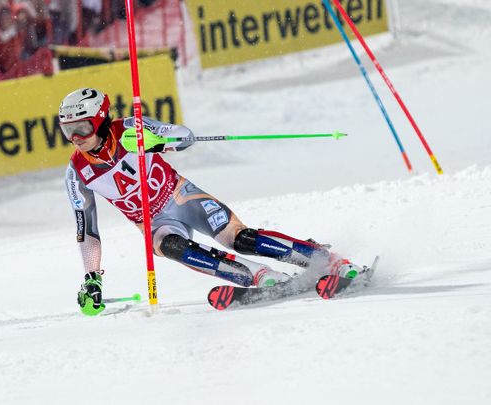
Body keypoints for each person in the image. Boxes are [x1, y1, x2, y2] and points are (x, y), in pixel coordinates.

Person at [60, 88, 367, 315]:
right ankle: (261, 277)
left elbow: (184, 136)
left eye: (82, 128)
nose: (76, 138)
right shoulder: (77, 173)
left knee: (240, 238)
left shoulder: (129, 129)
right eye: (68, 131)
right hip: (155, 224)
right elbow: (87, 231)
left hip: (183, 196)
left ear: (100, 121)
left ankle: (329, 261)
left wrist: (155, 141)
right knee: (172, 248)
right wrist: (92, 278)